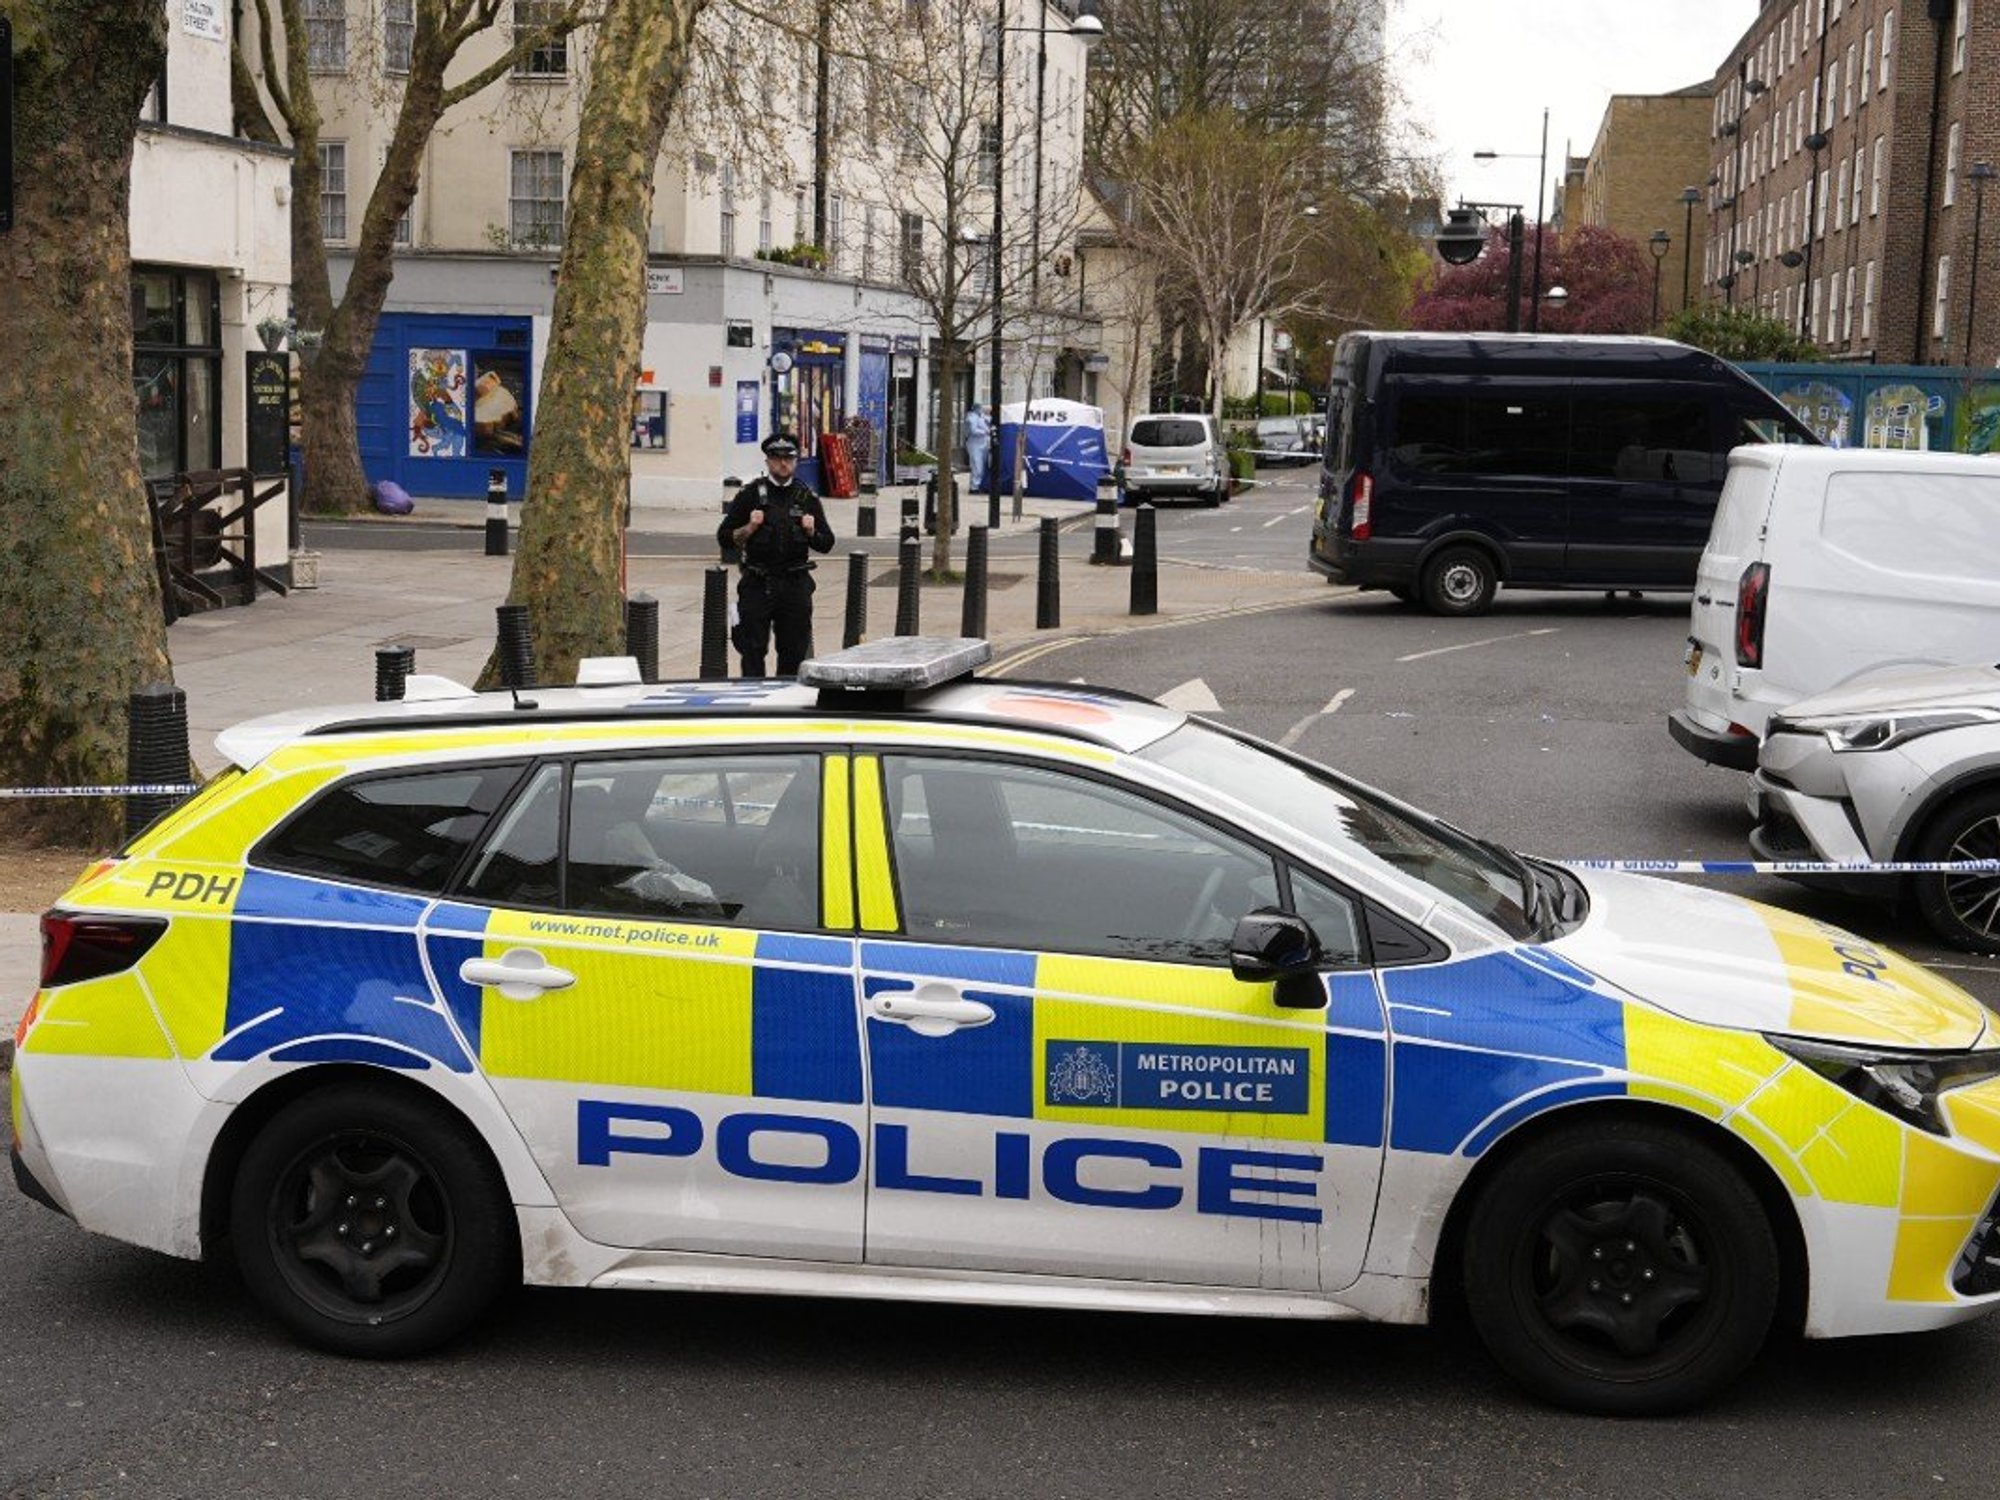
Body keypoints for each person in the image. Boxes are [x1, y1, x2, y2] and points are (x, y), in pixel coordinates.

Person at [716, 432, 836, 677]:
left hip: (795, 584)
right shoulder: (750, 495)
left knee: (793, 652)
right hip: (758, 582)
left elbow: (827, 543)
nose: (783, 463)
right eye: (776, 458)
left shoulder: (806, 497)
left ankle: (787, 704)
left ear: (795, 462)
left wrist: (812, 531)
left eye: (789, 458)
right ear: (768, 462)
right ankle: (753, 704)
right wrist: (749, 528)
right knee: (751, 650)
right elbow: (724, 537)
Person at [963, 404, 991, 493]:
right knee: (976, 466)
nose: (982, 411)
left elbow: (987, 422)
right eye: (981, 409)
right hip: (974, 444)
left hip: (982, 443)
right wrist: (985, 432)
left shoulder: (980, 417)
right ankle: (974, 487)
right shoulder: (971, 418)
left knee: (982, 466)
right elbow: (973, 430)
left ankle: (979, 485)